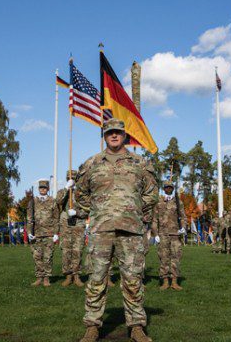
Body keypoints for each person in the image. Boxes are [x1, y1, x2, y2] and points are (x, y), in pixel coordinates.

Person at [75, 118, 158, 342]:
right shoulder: (92, 163)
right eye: (109, 132)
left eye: (118, 132)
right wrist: (96, 211)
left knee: (133, 279)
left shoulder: (139, 163)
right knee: (96, 278)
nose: (114, 136)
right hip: (101, 230)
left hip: (131, 230)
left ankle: (137, 326)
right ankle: (92, 326)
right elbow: (80, 193)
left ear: (124, 136)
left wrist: (137, 211)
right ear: (104, 136)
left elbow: (151, 192)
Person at [151, 180, 187, 291]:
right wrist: (155, 234)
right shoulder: (158, 202)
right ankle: (165, 281)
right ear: (164, 188)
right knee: (163, 257)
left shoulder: (178, 202)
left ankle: (175, 281)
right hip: (162, 234)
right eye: (166, 187)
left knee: (176, 257)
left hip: (175, 234)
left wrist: (183, 227)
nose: (168, 189)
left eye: (170, 187)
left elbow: (183, 217)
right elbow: (154, 220)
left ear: (173, 189)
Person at [25, 179, 59, 287]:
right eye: (41, 187)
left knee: (48, 257)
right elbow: (29, 218)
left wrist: (56, 233)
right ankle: (39, 277)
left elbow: (56, 218)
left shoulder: (52, 201)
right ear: (38, 189)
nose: (43, 189)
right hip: (36, 233)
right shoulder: (33, 201)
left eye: (44, 187)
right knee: (37, 256)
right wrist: (29, 231)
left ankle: (46, 278)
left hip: (49, 233)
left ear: (48, 189)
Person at [58, 170, 86, 287]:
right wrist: (66, 188)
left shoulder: (82, 193)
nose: (72, 180)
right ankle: (68, 276)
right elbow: (58, 201)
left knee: (77, 250)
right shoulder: (63, 191)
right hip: (66, 223)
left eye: (74, 178)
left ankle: (76, 276)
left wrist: (77, 212)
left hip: (78, 224)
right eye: (70, 178)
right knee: (66, 250)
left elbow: (87, 209)